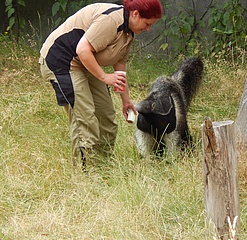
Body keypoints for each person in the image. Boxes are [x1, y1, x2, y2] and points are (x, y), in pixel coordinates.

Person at [39, 0, 163, 169]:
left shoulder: (129, 32)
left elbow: (120, 67)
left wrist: (126, 101)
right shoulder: (112, 20)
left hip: (85, 64)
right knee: (86, 120)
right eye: (147, 23)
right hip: (62, 61)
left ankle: (102, 169)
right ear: (135, 14)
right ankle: (84, 176)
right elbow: (82, 49)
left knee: (107, 118)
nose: (148, 29)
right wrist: (104, 77)